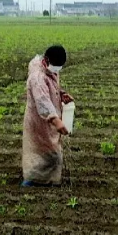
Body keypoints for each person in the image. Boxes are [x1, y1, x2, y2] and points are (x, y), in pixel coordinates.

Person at [22, 45, 73, 187]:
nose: (57, 69)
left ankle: (45, 180)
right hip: (39, 120)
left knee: (49, 151)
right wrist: (56, 121)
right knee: (45, 151)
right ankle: (31, 180)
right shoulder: (37, 78)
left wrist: (61, 94)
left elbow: (51, 87)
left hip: (49, 118)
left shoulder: (49, 70)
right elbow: (42, 101)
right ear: (46, 60)